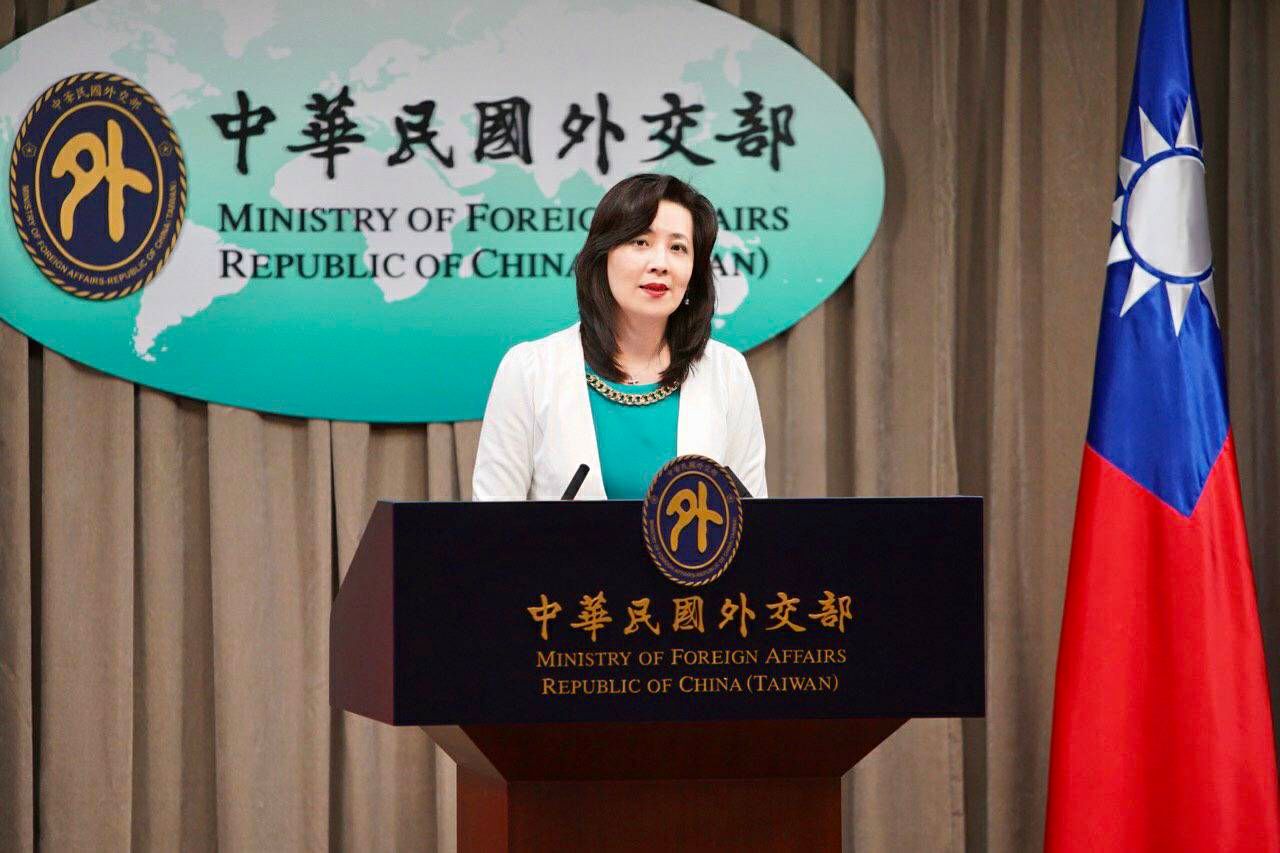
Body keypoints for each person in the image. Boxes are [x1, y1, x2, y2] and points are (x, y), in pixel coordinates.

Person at [472, 173, 767, 501]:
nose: (660, 263)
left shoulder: (727, 371)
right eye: (641, 242)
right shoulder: (529, 370)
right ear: (603, 256)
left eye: (678, 247)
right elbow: (491, 520)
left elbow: (754, 520)